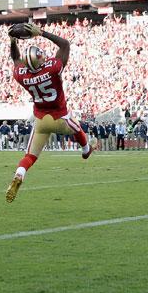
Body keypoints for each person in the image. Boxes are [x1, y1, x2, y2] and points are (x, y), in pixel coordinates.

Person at [5, 23, 94, 203]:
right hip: (59, 117)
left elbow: (15, 60)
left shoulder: (22, 75)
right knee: (77, 129)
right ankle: (86, 150)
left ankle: (18, 175)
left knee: (29, 156)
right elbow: (65, 45)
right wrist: (42, 33)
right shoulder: (52, 68)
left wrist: (13, 41)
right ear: (40, 59)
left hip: (40, 120)